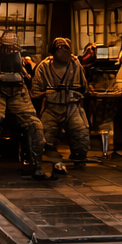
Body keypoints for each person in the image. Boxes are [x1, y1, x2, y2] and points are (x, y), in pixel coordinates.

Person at [0, 31, 47, 179]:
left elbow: (27, 83)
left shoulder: (21, 63)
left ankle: (37, 165)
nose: (10, 51)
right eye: (7, 48)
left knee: (36, 125)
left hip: (18, 93)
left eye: (13, 48)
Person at [31, 37, 91, 169]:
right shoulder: (43, 67)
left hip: (72, 107)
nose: (62, 51)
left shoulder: (76, 65)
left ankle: (78, 157)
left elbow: (84, 88)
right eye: (59, 48)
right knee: (45, 137)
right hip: (50, 108)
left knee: (81, 134)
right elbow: (35, 91)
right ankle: (48, 161)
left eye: (65, 48)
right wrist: (48, 93)